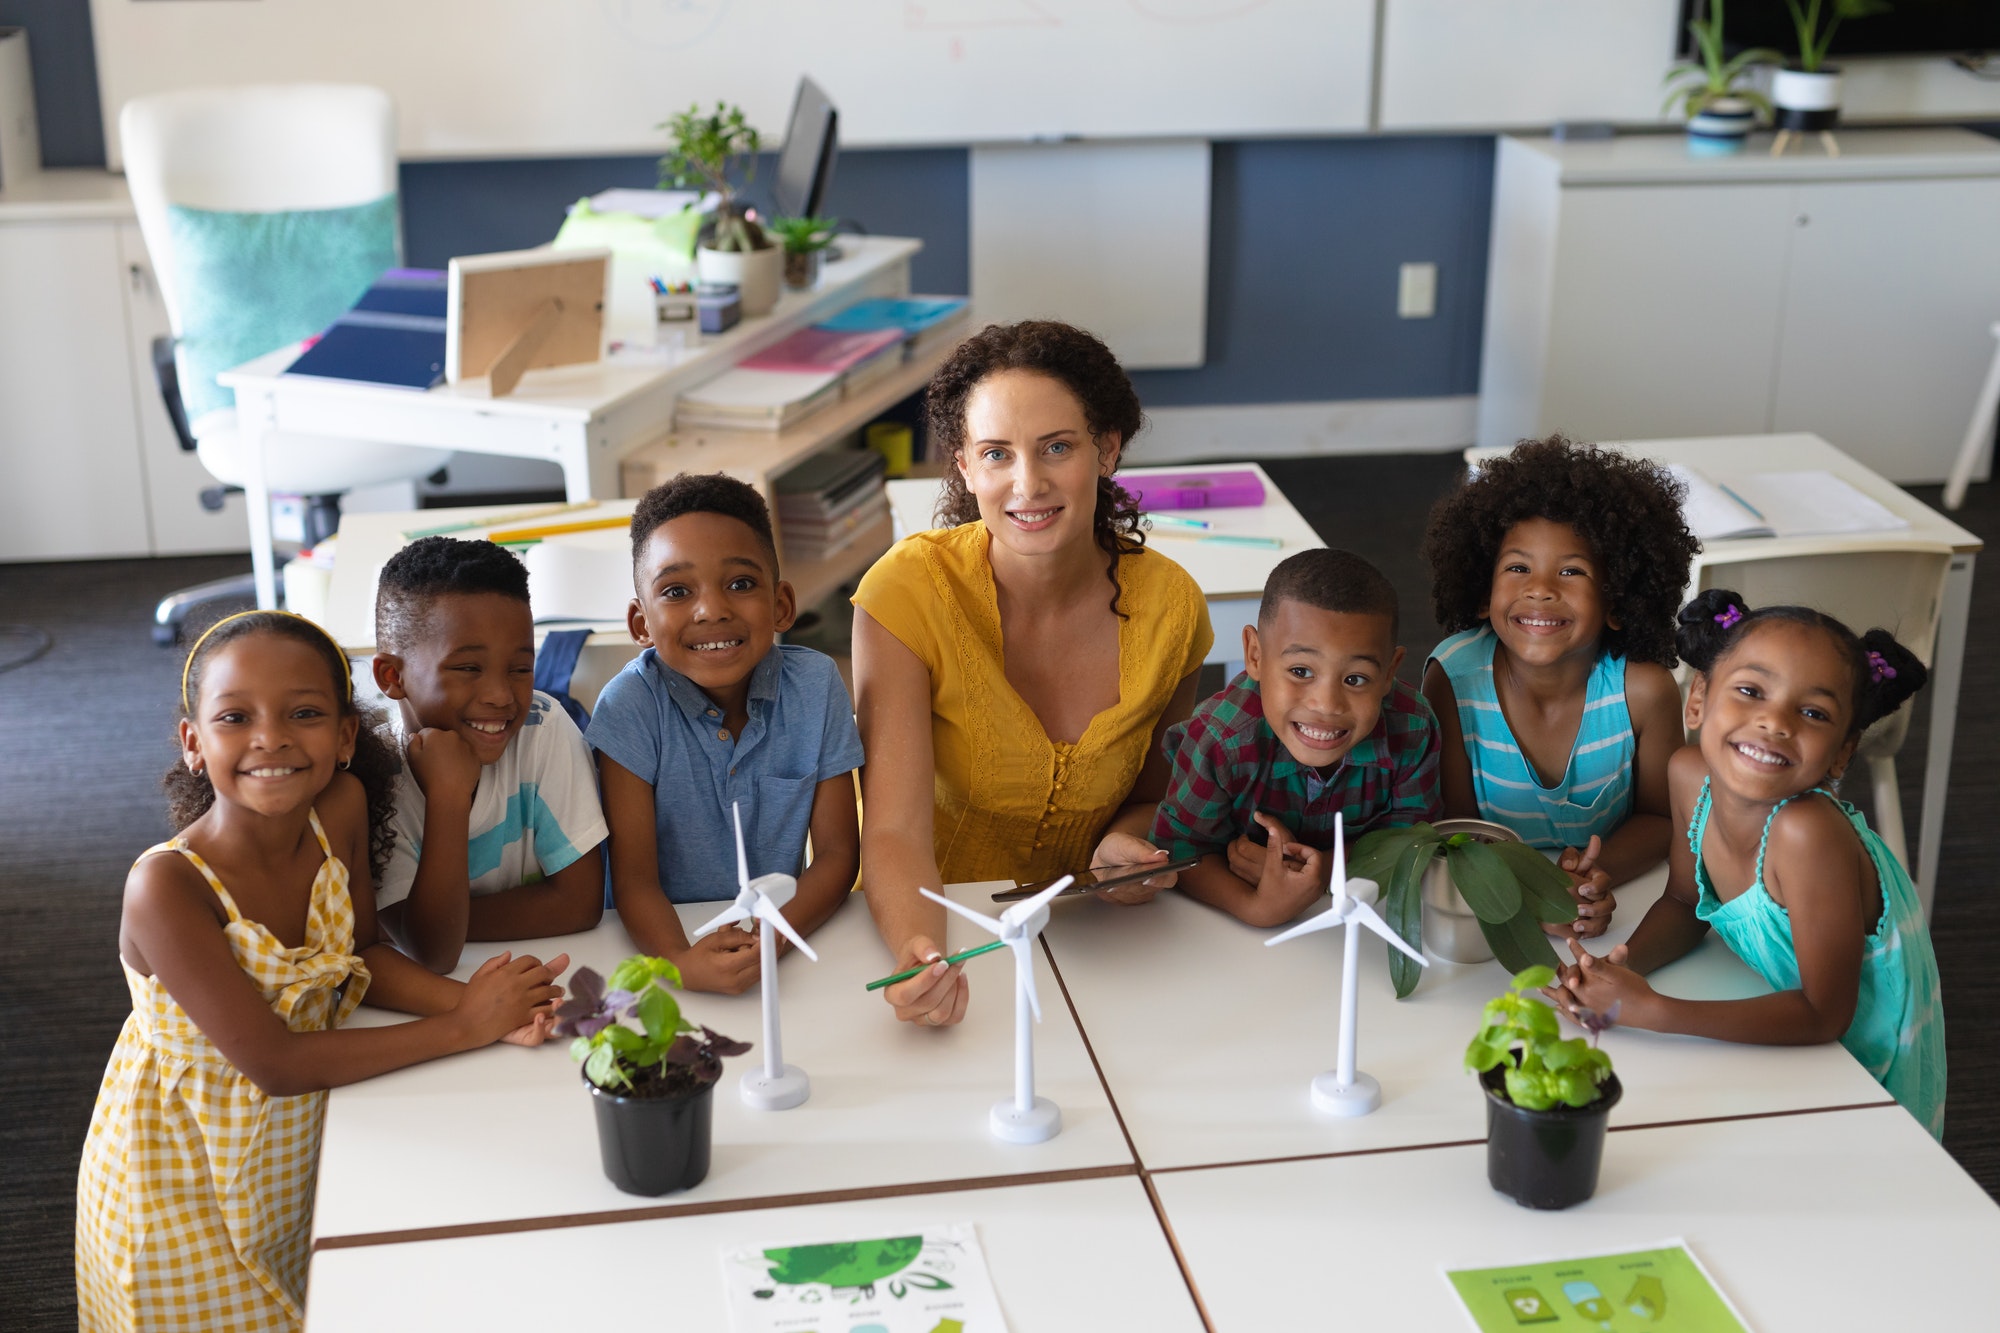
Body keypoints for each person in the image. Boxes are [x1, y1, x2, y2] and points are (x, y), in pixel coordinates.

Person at [76, 611, 567, 1333]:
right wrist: (465, 1024)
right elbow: (272, 1062)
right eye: (235, 716)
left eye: (303, 713)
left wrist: (487, 1007)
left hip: (302, 1141)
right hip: (184, 1185)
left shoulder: (338, 807)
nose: (270, 737)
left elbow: (359, 957)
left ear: (344, 738)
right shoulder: (166, 887)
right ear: (193, 742)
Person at [852, 320, 1213, 1027]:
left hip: (1100, 944)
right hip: (943, 933)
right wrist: (917, 953)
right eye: (997, 453)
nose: (1028, 482)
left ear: (1106, 449)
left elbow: (1154, 794)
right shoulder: (906, 594)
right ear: (963, 466)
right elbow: (892, 830)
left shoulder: (1174, 609)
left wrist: (1128, 845)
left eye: (1057, 447)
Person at [1555, 590, 1945, 1138]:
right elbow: (1684, 903)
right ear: (1698, 701)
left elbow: (1823, 1014)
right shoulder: (1690, 774)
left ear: (1841, 751)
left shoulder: (1806, 832)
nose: (1774, 721)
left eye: (1812, 712)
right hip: (1774, 1017)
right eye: (1750, 691)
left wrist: (1653, 1011)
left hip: (1859, 1061)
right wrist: (1622, 970)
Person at [588, 473, 863, 995]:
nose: (712, 609)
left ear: (782, 605)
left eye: (740, 584)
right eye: (676, 591)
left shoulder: (815, 685)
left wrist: (775, 936)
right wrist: (677, 961)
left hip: (786, 943)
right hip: (663, 946)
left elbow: (836, 856)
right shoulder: (629, 707)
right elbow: (635, 881)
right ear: (640, 622)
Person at [1421, 436, 1699, 937]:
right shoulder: (1453, 681)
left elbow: (1662, 819)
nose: (1541, 588)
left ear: (1617, 599)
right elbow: (1455, 828)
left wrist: (1593, 875)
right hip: (1487, 901)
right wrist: (1534, 890)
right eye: (1518, 568)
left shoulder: (1645, 692)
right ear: (1483, 594)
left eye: (1572, 571)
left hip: (1628, 896)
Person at [1154, 548, 1442, 927]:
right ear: (1255, 656)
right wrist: (1253, 907)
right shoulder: (1219, 740)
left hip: (1356, 920)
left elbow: (1413, 840)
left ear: (1389, 672)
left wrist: (1320, 871)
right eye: (1301, 671)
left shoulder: (1413, 730)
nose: (1326, 704)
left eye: (1355, 679)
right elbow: (1179, 848)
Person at [370, 537, 607, 972]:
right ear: (391, 675)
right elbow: (435, 954)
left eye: (520, 669)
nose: (501, 696)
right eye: (467, 668)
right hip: (460, 988)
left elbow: (579, 906)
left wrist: (414, 926)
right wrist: (448, 796)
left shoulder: (543, 726)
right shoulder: (376, 775)